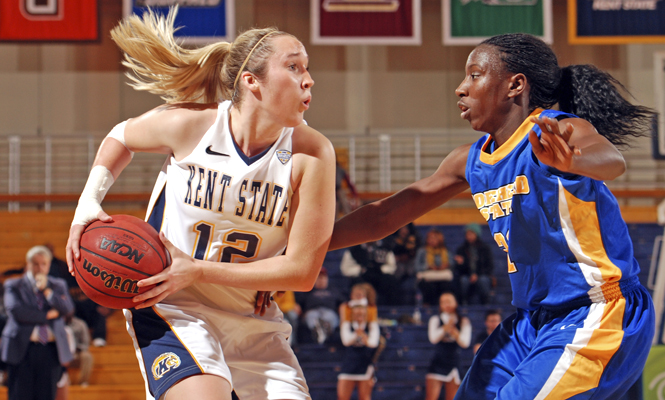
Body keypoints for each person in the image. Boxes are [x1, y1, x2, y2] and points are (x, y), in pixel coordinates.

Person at [329, 32, 656, 399]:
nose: (460, 88)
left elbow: (612, 160)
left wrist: (574, 160)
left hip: (597, 310)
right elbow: (383, 216)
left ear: (514, 85)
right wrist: (303, 247)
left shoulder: (553, 131)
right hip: (532, 321)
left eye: (474, 75)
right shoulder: (467, 161)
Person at [65, 7, 336, 400]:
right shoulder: (195, 125)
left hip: (254, 321)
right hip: (171, 305)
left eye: (307, 68)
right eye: (293, 67)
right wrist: (88, 202)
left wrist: (196, 270)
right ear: (252, 82)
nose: (309, 79)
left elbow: (301, 272)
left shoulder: (313, 154)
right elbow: (120, 136)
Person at [2, 245, 74, 400]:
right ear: (28, 264)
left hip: (51, 350)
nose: (40, 268)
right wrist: (48, 315)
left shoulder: (57, 285)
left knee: (46, 395)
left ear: (49, 265)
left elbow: (68, 309)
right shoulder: (13, 285)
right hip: (22, 349)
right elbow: (15, 311)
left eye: (44, 264)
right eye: (36, 264)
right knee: (19, 395)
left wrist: (48, 292)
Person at [45, 243, 111, 347]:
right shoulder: (55, 271)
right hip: (70, 305)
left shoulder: (64, 266)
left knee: (99, 312)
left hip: (86, 304)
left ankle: (99, 338)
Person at [425, 292, 471, 400]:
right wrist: (445, 328)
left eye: (449, 301)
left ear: (455, 303)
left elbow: (465, 343)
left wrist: (455, 333)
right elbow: (433, 339)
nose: (446, 305)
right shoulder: (435, 320)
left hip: (454, 363)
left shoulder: (463, 321)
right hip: (438, 362)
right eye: (443, 302)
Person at [337, 300, 382, 400]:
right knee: (342, 397)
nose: (359, 312)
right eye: (357, 309)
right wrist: (356, 334)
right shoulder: (347, 324)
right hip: (349, 364)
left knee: (365, 397)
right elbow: (346, 341)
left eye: (362, 309)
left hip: (365, 364)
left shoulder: (371, 325)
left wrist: (364, 338)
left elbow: (373, 343)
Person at [339, 240, 400, 305]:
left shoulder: (385, 248)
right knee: (356, 283)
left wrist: (381, 269)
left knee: (391, 281)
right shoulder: (354, 250)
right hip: (362, 277)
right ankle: (358, 306)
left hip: (380, 276)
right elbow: (345, 269)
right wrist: (360, 269)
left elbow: (392, 266)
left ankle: (391, 308)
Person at [299, 267, 344, 344]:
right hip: (312, 311)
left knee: (328, 317)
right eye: (318, 278)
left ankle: (320, 331)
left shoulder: (333, 290)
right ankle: (320, 330)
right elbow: (299, 303)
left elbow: (343, 304)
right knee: (312, 316)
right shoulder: (307, 290)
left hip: (329, 311)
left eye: (323, 277)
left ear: (327, 279)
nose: (321, 280)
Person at [453, 223, 494, 305]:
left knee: (483, 280)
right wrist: (460, 263)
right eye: (467, 234)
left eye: (471, 233)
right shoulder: (461, 249)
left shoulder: (485, 249)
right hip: (467, 275)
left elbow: (489, 266)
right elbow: (458, 269)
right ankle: (463, 302)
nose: (469, 236)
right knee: (463, 280)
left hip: (482, 274)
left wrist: (477, 275)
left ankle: (486, 301)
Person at [414, 228, 453, 306]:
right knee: (429, 287)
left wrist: (445, 266)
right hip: (427, 278)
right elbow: (416, 267)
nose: (432, 240)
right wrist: (428, 267)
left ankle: (444, 305)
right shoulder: (422, 251)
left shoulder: (445, 251)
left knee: (446, 286)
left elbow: (451, 264)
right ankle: (428, 307)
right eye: (430, 238)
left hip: (442, 277)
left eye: (434, 238)